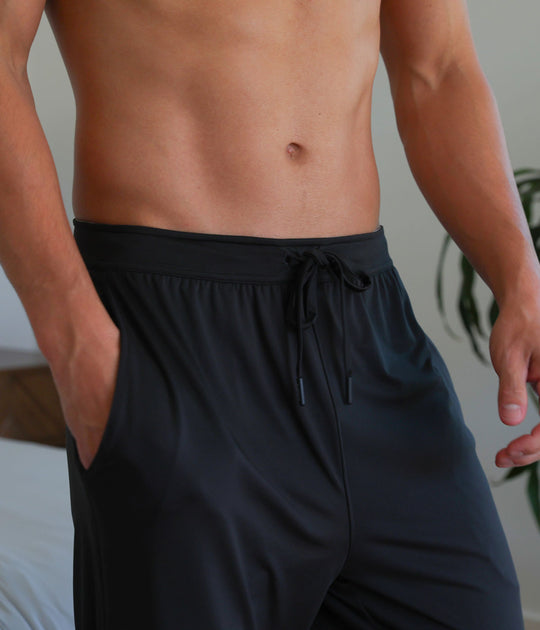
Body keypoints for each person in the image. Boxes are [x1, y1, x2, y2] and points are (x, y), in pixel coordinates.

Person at [0, 0, 537, 628]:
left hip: (367, 323)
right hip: (172, 330)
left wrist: (522, 281)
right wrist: (80, 351)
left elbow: (438, 69)